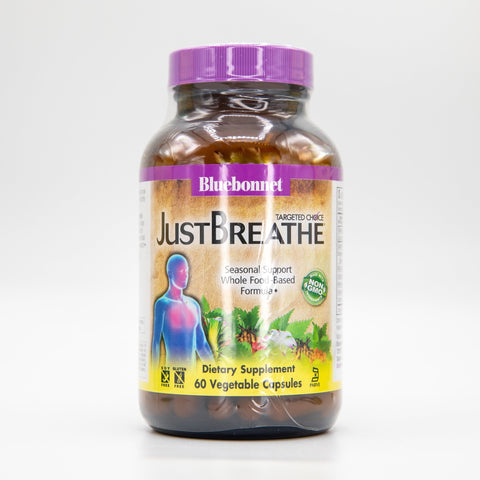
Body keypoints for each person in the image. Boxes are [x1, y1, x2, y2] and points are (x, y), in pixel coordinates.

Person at [151, 254, 213, 367]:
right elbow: (155, 342)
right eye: (181, 271)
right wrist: (154, 371)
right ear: (170, 273)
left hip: (192, 374)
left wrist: (215, 370)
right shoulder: (162, 304)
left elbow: (202, 345)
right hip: (172, 372)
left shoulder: (194, 305)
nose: (185, 275)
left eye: (186, 271)